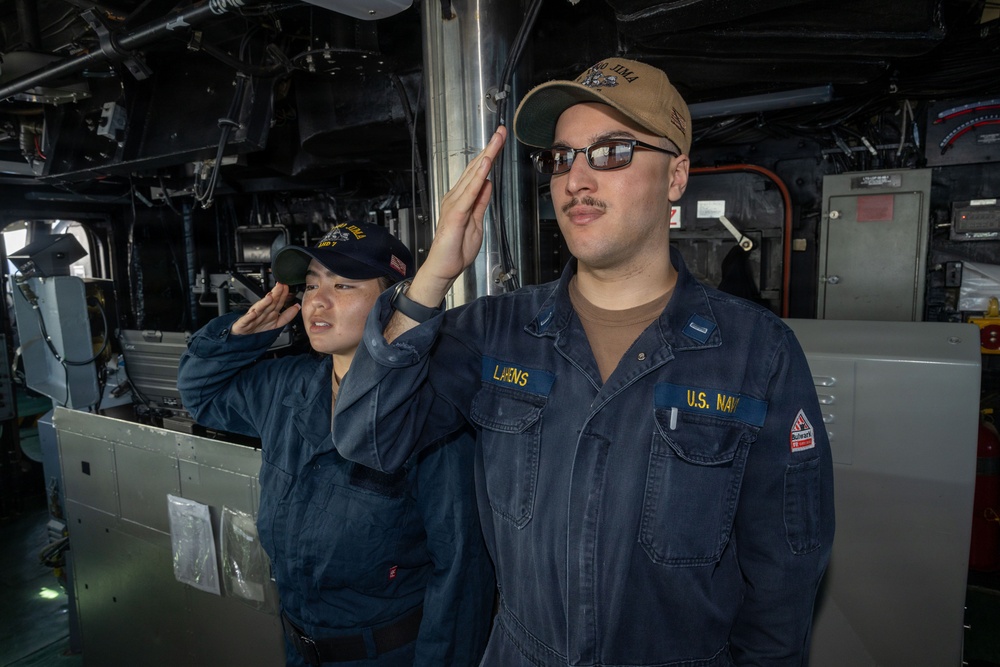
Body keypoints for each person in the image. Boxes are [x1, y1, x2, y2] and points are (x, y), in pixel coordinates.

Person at [332, 57, 835, 666]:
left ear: (676, 176)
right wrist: (433, 278)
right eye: (561, 158)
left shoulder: (758, 354)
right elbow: (368, 436)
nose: (576, 179)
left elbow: (784, 577)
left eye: (613, 152)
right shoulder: (495, 332)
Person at [176, 222, 495, 666]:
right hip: (299, 647)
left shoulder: (429, 413)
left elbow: (461, 573)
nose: (317, 302)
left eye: (343, 285)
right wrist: (240, 338)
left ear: (395, 301)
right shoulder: (287, 388)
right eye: (309, 286)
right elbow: (202, 397)